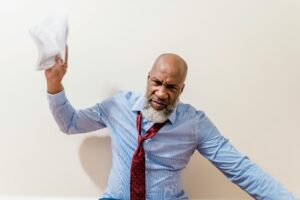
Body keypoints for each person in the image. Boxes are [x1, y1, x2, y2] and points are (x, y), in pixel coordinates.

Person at [45, 48, 298, 200]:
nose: (161, 93)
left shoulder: (195, 123)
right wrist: (54, 84)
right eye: (157, 82)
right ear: (148, 79)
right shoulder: (117, 105)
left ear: (181, 89)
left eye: (171, 87)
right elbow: (70, 123)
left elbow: (241, 169)